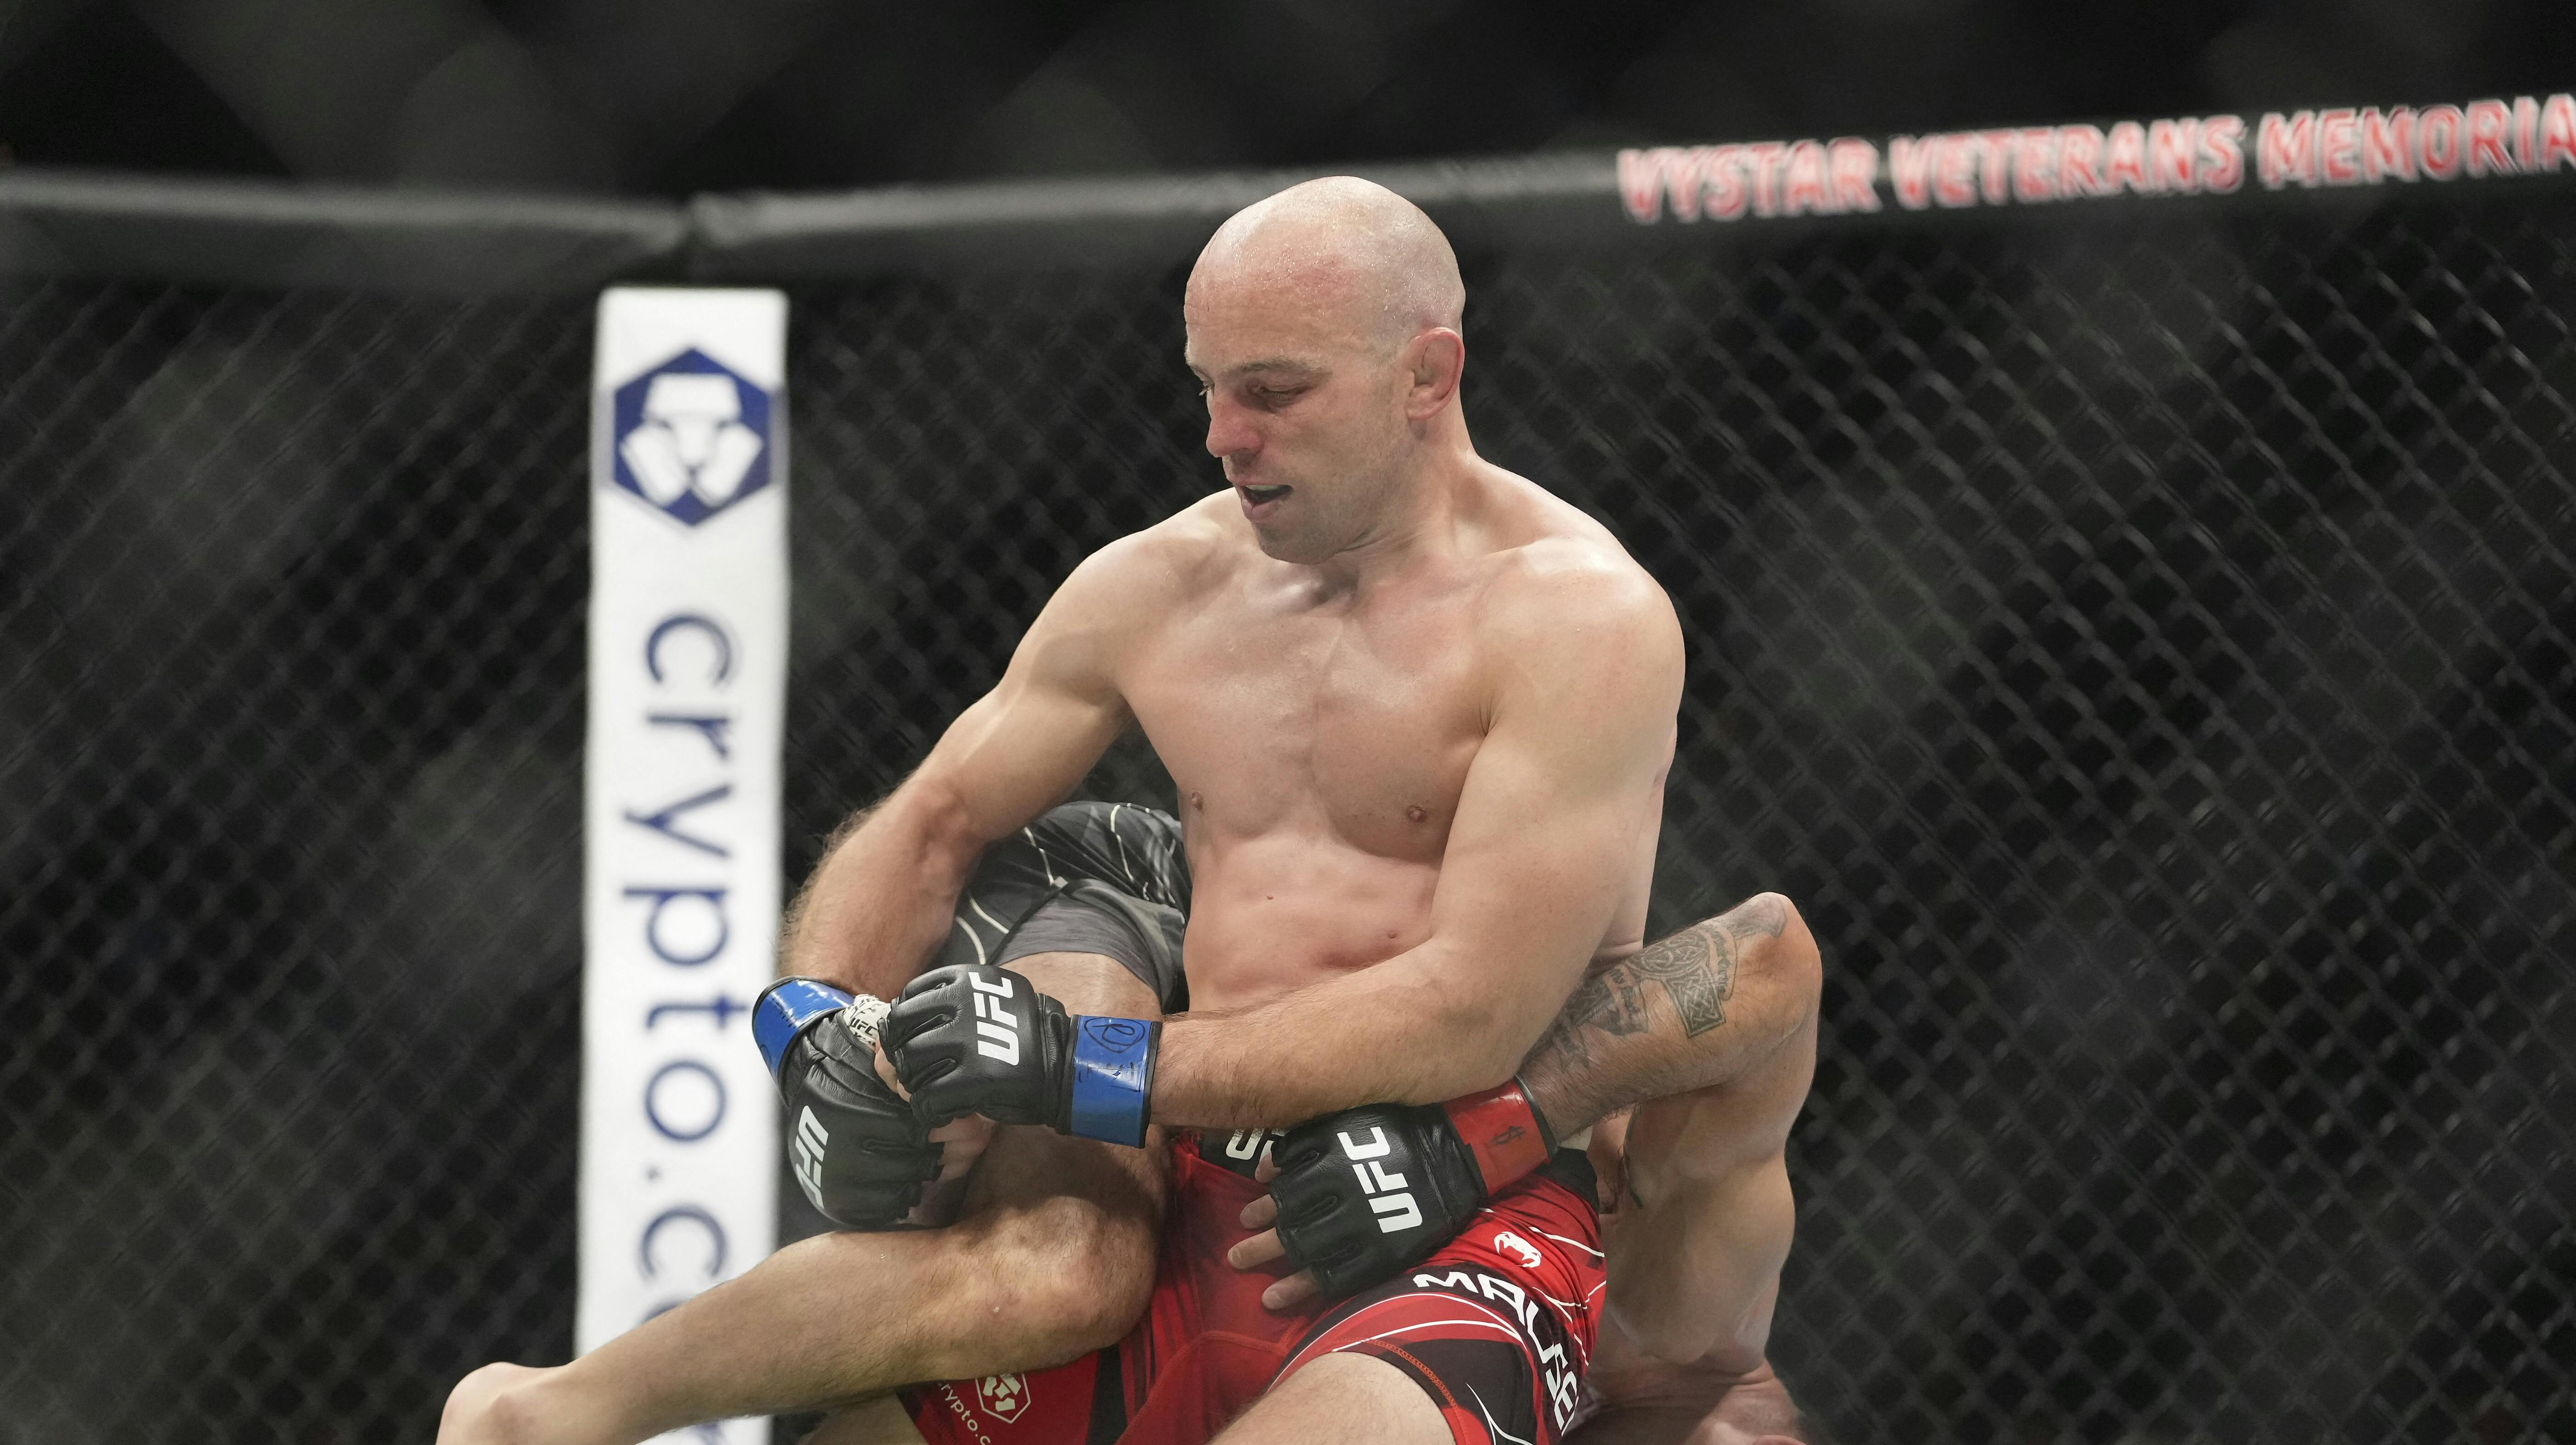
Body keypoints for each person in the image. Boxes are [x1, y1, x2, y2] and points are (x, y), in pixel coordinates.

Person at [440, 176, 1817, 1445]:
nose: (1226, 437)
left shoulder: (1580, 619)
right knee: (1027, 1280)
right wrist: (815, 1028)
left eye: (1275, 391)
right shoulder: (1156, 589)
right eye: (1210, 389)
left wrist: (1084, 1066)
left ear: (1428, 375)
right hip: (1166, 1182)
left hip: (1438, 1211)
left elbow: (1473, 1006)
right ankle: (540, 1415)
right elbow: (932, 820)